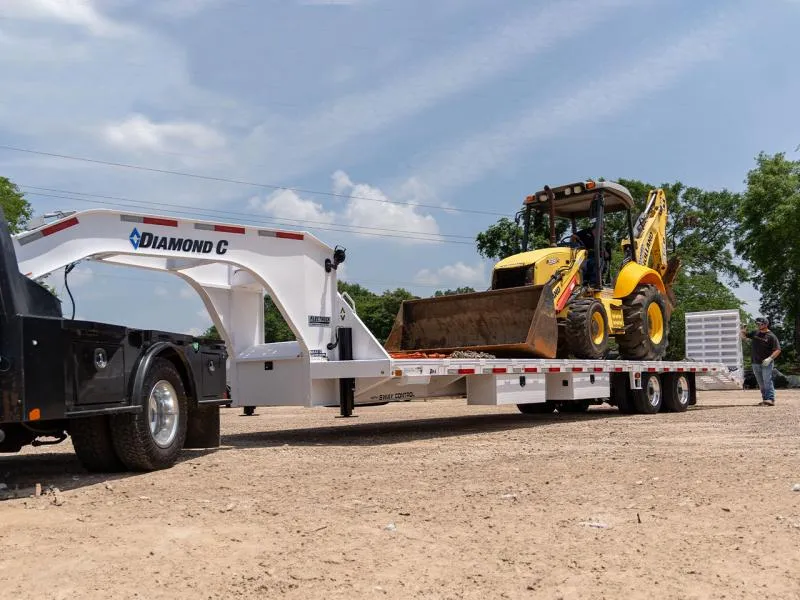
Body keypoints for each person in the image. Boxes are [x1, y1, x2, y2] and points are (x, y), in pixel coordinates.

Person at [740, 317, 781, 406]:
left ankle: (770, 399)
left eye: (760, 324)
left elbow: (777, 350)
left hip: (766, 363)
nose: (758, 325)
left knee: (767, 380)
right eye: (757, 324)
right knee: (761, 383)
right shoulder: (755, 333)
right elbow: (743, 337)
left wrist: (770, 359)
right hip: (755, 362)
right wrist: (743, 328)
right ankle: (765, 399)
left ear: (766, 324)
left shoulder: (771, 336)